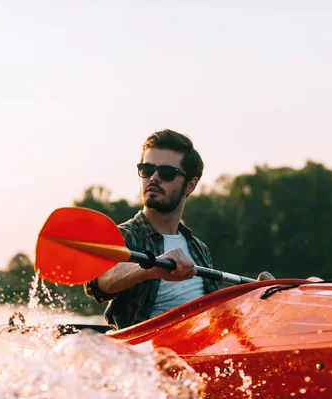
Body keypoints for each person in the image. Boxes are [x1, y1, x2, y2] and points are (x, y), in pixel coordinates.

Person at [84, 129, 271, 330]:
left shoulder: (199, 248)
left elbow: (217, 317)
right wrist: (151, 268)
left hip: (200, 350)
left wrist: (258, 295)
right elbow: (99, 281)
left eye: (166, 173)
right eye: (147, 169)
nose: (154, 178)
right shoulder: (124, 236)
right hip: (146, 355)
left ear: (190, 185)